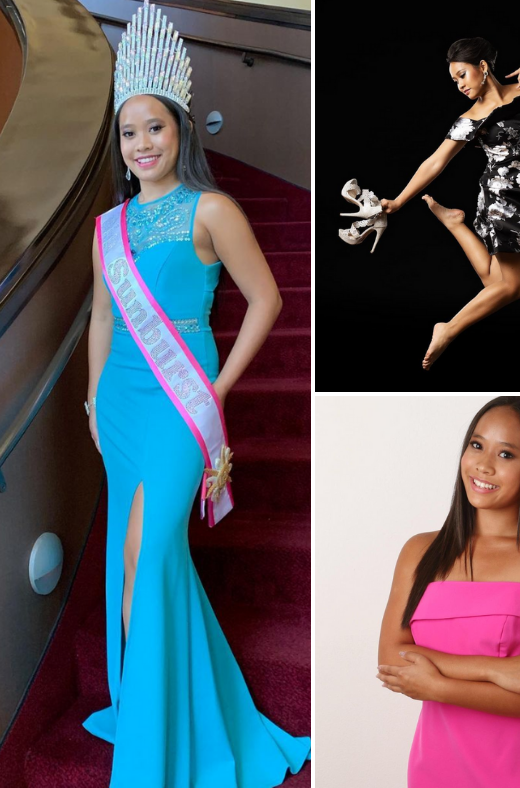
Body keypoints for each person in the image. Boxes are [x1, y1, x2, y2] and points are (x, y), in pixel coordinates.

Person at [81, 2, 310, 784]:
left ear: (181, 130)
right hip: (120, 406)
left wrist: (216, 388)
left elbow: (268, 301)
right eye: (129, 132)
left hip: (182, 406)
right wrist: (88, 401)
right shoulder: (107, 226)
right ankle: (152, 707)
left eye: (155, 128)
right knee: (128, 560)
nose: (142, 144)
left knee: (151, 551)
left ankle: (162, 729)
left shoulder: (214, 210)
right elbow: (103, 320)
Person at [375, 396, 520, 787]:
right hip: (434, 764)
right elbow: (391, 657)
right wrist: (495, 668)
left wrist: (438, 685)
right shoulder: (419, 551)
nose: (483, 464)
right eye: (476, 445)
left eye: (506, 454)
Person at [378, 38, 520, 370]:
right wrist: (400, 201)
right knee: (515, 286)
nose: (460, 85)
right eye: (455, 80)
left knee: (496, 282)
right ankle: (448, 328)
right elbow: (435, 162)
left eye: (462, 75)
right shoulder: (471, 118)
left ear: (483, 67)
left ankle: (455, 225)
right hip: (502, 196)